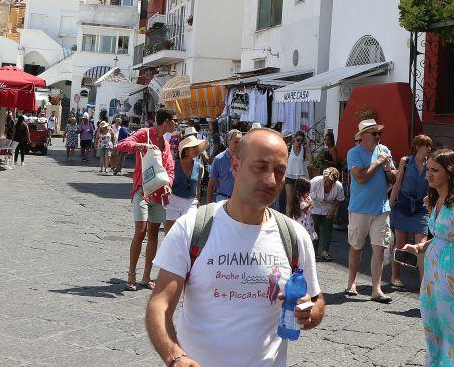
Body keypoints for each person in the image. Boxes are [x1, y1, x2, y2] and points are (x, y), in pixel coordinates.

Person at [146, 128, 325, 367]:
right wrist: (174, 356)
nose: (271, 180)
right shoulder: (192, 228)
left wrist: (309, 312)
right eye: (260, 167)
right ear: (235, 166)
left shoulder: (294, 236)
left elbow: (316, 300)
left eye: (280, 171)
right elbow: (160, 304)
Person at [402, 149, 454, 366]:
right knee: (435, 328)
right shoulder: (437, 198)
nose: (428, 174)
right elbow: (443, 236)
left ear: (449, 172)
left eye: (435, 170)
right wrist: (421, 246)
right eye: (428, 169)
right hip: (433, 277)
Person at [116, 108, 177, 292]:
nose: (176, 123)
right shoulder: (145, 134)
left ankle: (146, 277)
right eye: (174, 120)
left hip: (159, 194)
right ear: (165, 121)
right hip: (142, 190)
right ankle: (131, 275)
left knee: (153, 234)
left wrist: (169, 184)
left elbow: (170, 170)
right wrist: (139, 146)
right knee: (140, 231)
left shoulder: (165, 144)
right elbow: (122, 144)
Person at [346, 118, 394, 302]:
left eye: (379, 133)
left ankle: (376, 289)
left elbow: (394, 176)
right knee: (356, 247)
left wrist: (388, 168)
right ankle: (351, 282)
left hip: (381, 207)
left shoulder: (384, 150)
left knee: (380, 249)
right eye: (374, 133)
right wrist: (377, 163)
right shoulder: (354, 153)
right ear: (364, 136)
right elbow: (360, 178)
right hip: (359, 208)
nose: (378, 136)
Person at [389, 134, 432, 289]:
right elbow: (398, 182)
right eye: (426, 145)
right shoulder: (406, 161)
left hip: (421, 206)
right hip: (403, 204)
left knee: (422, 245)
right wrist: (390, 204)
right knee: (400, 243)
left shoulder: (431, 163)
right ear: (418, 146)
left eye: (429, 145)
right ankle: (395, 276)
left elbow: (433, 186)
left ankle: (423, 284)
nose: (428, 148)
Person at [165, 131, 208, 230]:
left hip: (190, 203)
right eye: (194, 147)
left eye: (197, 147)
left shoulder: (199, 167)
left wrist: (198, 201)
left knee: (188, 232)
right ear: (186, 150)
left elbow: (197, 186)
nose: (197, 150)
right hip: (173, 201)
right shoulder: (174, 164)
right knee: (171, 234)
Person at [309, 167, 344, 262]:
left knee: (327, 230)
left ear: (334, 181)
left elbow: (340, 199)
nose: (326, 182)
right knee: (314, 230)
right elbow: (306, 194)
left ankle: (325, 252)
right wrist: (307, 208)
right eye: (325, 179)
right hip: (314, 207)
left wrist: (333, 210)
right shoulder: (315, 181)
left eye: (329, 181)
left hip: (328, 208)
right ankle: (313, 252)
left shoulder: (338, 186)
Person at [206, 128, 242, 203]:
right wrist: (208, 203)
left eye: (240, 142)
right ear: (228, 142)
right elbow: (211, 183)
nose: (238, 145)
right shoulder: (219, 159)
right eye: (236, 142)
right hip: (223, 200)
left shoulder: (244, 158)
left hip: (240, 201)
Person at [284, 130, 310, 218]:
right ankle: (288, 220)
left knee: (300, 201)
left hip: (300, 178)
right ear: (294, 139)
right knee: (289, 201)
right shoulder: (288, 148)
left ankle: (299, 221)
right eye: (298, 140)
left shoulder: (304, 149)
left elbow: (311, 161)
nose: (299, 142)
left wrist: (308, 146)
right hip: (289, 176)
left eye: (301, 141)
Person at [293, 176, 315, 240]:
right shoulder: (299, 197)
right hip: (302, 220)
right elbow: (303, 209)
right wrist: (309, 204)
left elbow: (311, 206)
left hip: (308, 219)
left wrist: (310, 204)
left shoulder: (306, 196)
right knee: (303, 236)